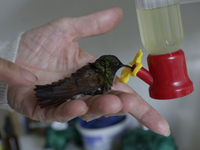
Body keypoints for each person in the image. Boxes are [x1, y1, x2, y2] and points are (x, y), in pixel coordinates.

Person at [0, 7, 170, 136]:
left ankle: (49, 93)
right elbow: (75, 86)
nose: (119, 66)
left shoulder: (100, 75)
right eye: (116, 64)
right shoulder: (95, 76)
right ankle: (49, 93)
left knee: (71, 97)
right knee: (64, 92)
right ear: (108, 66)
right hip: (73, 87)